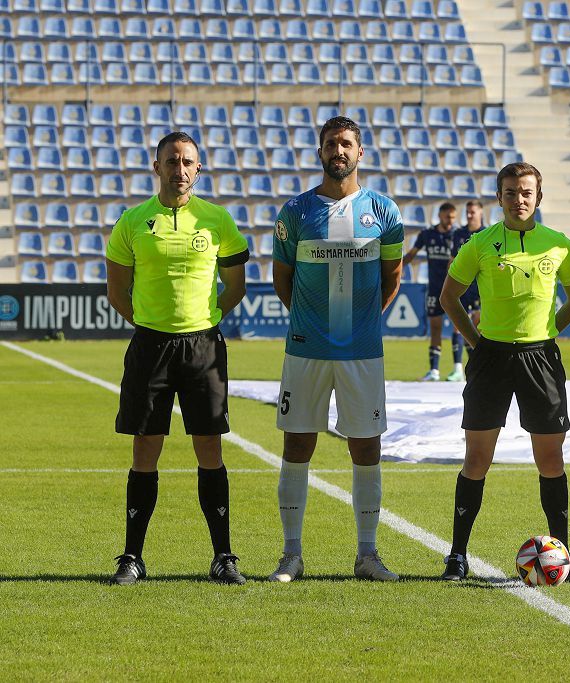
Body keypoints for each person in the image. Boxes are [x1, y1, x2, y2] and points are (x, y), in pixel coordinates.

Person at [105, 131, 251, 585]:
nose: (180, 169)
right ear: (157, 167)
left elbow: (236, 287)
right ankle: (132, 557)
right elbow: (116, 292)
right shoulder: (131, 222)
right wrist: (153, 323)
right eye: (172, 161)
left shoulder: (218, 220)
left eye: (188, 162)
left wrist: (202, 321)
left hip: (203, 346)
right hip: (150, 346)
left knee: (209, 445)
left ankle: (223, 556)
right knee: (145, 446)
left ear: (199, 169)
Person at [269, 116, 404, 583]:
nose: (338, 151)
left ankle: (367, 555)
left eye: (346, 143)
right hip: (305, 349)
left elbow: (392, 279)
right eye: (331, 144)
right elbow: (282, 280)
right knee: (297, 444)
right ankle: (291, 555)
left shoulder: (385, 211)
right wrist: (313, 322)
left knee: (366, 447)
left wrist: (360, 322)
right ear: (320, 152)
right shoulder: (295, 212)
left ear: (360, 152)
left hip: (362, 352)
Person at [438, 162, 570, 582]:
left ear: (538, 197)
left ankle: (566, 554)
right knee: (477, 458)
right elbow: (450, 297)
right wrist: (476, 342)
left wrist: (550, 330)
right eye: (509, 192)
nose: (518, 199)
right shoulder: (480, 243)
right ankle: (457, 555)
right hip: (491, 359)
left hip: (541, 359)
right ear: (499, 197)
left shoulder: (558, 245)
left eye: (525, 192)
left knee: (550, 459)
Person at [403, 202, 458, 381]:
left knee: (458, 327)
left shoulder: (458, 235)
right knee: (435, 327)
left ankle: (458, 368)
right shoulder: (427, 234)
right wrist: (398, 267)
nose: (451, 221)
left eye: (453, 218)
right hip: (435, 287)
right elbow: (412, 254)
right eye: (448, 217)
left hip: (455, 287)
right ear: (440, 216)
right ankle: (434, 370)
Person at [448, 199, 486, 376]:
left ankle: (476, 365)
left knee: (477, 328)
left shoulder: (487, 234)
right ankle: (457, 369)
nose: (470, 215)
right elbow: (453, 259)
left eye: (473, 212)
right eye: (468, 212)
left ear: (481, 213)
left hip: (480, 288)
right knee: (458, 325)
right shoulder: (458, 234)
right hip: (462, 286)